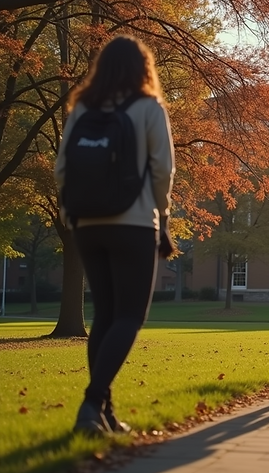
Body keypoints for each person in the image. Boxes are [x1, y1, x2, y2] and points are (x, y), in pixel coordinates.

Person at [54, 35, 176, 434]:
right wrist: (163, 214)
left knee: (104, 315)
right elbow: (162, 170)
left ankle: (103, 412)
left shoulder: (82, 107)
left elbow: (62, 169)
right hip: (134, 222)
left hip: (86, 224)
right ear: (144, 68)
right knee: (128, 316)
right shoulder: (148, 107)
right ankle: (91, 404)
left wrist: (70, 212)